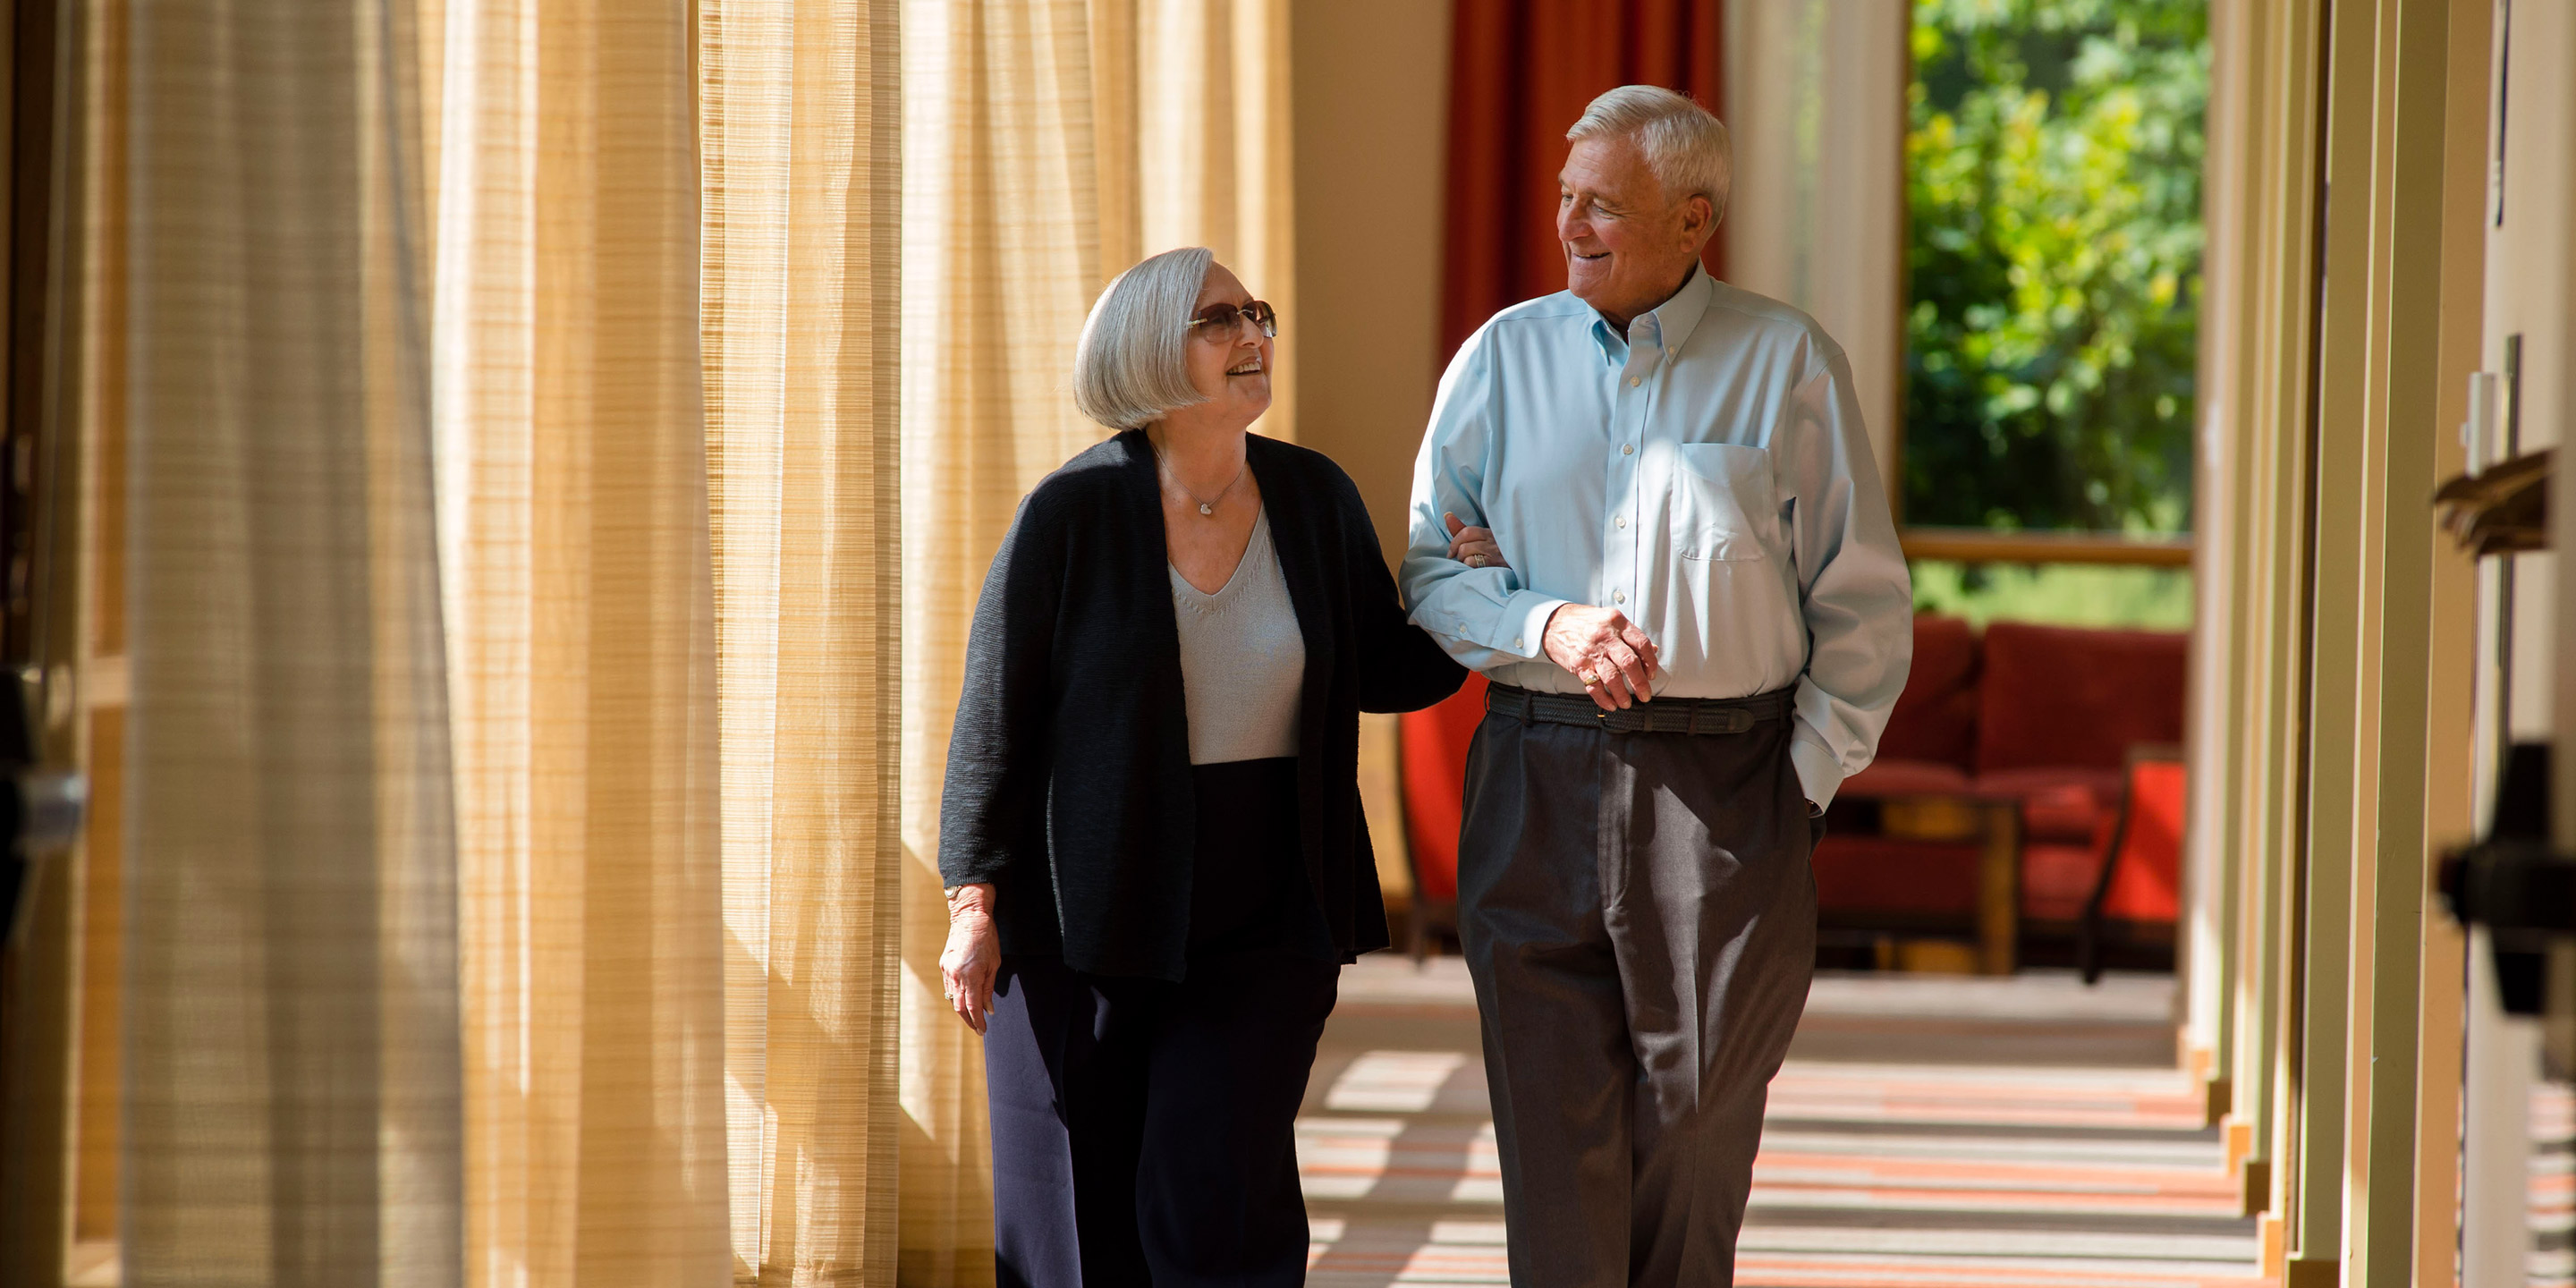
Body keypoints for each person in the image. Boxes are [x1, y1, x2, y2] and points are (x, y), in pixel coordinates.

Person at [1402, 86, 1912, 1284]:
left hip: (1726, 791)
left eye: (1604, 205)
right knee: (1551, 1131)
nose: (1571, 222)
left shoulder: (1788, 362)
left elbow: (1863, 599)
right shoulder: (1499, 360)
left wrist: (1798, 783)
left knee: (1694, 1122)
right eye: (1565, 197)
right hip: (1533, 772)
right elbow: (1432, 564)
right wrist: (1545, 619)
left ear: (1694, 221)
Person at [937, 245, 1466, 1286]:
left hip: (1269, 898)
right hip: (1085, 904)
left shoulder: (1313, 496)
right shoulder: (1072, 514)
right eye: (1218, 319)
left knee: (1213, 1192)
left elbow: (1388, 668)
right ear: (1147, 354)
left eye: (1255, 313)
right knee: (1076, 1221)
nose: (1252, 334)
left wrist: (1472, 591)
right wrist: (972, 901)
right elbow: (994, 718)